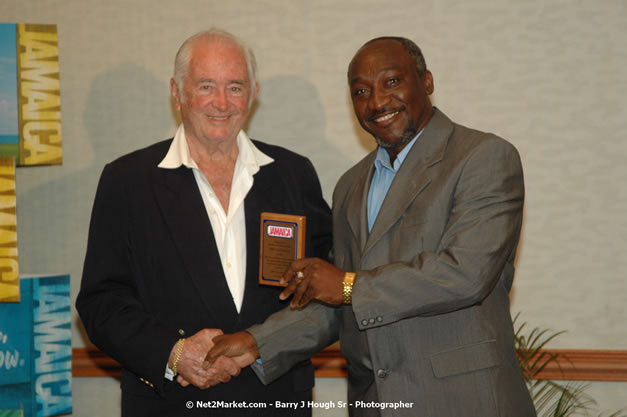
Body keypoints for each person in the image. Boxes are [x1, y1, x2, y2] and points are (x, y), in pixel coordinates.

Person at [207, 36, 537, 417]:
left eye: (392, 82)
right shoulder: (351, 185)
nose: (377, 101)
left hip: (463, 400)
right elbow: (338, 301)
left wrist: (347, 285)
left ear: (426, 82)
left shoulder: (483, 157)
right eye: (361, 91)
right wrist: (256, 343)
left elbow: (466, 273)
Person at [76, 29, 332, 417]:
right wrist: (174, 353)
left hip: (278, 402)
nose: (222, 103)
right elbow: (101, 303)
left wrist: (262, 343)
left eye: (235, 86)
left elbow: (325, 287)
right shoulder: (127, 181)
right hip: (171, 404)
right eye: (206, 86)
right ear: (177, 92)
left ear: (254, 92)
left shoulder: (294, 175)